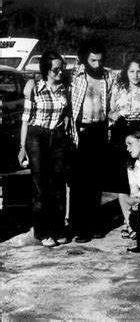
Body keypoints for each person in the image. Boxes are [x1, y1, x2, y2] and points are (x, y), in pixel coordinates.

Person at [17, 51, 71, 247]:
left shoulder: (65, 88)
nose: (60, 72)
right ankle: (43, 232)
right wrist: (22, 147)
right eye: (55, 69)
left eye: (61, 68)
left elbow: (66, 112)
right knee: (41, 186)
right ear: (46, 71)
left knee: (58, 184)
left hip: (57, 136)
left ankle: (58, 228)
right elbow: (25, 119)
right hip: (36, 136)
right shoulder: (34, 89)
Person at [69, 38, 114, 243]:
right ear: (84, 60)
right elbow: (48, 77)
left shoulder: (107, 77)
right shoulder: (74, 76)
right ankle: (80, 227)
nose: (97, 64)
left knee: (96, 181)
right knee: (80, 183)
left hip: (100, 130)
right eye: (93, 60)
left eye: (100, 60)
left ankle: (95, 224)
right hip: (81, 131)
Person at [107, 58, 140, 239]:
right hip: (120, 134)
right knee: (123, 180)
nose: (135, 75)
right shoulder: (118, 88)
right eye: (132, 71)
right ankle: (128, 223)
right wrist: (114, 114)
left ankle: (138, 221)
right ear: (126, 72)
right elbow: (109, 111)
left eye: (139, 71)